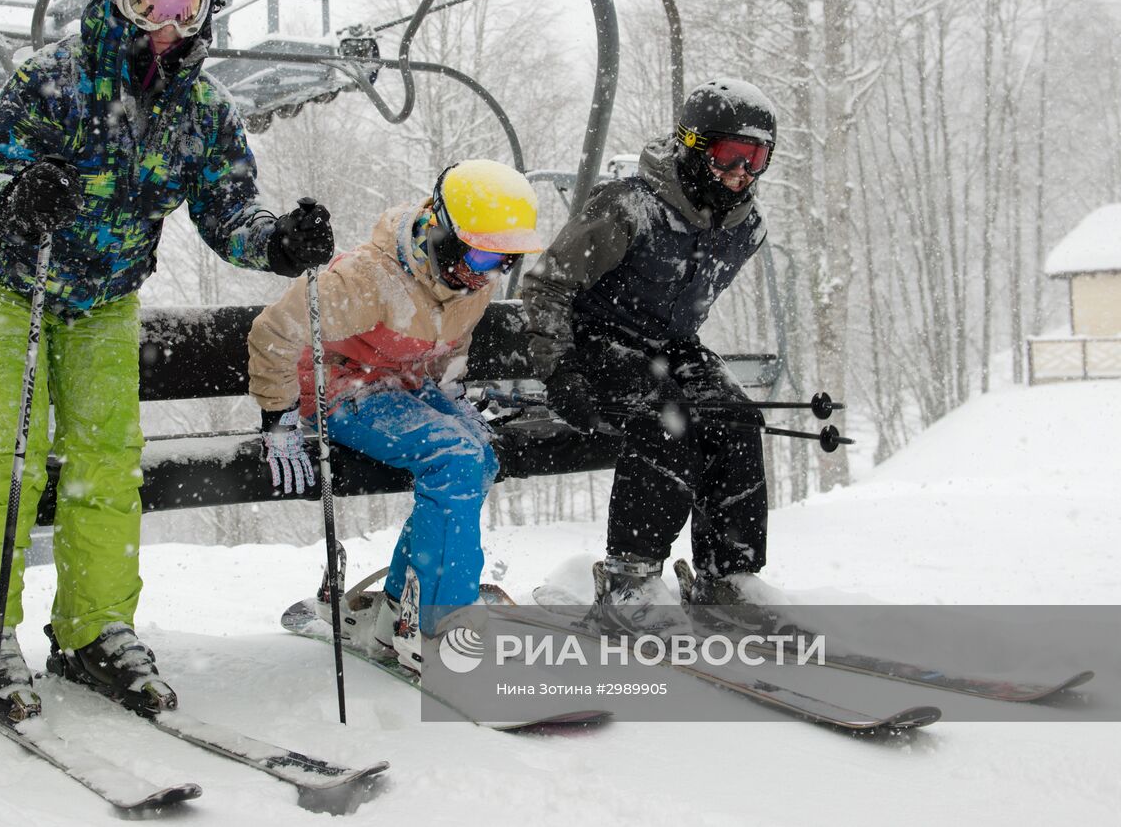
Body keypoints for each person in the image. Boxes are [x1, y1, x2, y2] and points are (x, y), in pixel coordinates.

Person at [0, 0, 334, 722]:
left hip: (103, 299)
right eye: (147, 1)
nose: (167, 24)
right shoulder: (51, 79)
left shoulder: (202, 110)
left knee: (107, 460)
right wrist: (25, 197)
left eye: (186, 7)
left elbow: (229, 212)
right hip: (8, 283)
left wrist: (280, 244)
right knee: (9, 451)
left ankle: (93, 626)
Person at [247, 160, 544, 675]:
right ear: (441, 232)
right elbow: (273, 333)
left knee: (479, 456)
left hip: (406, 386)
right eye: (478, 253)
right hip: (343, 389)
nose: (487, 271)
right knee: (455, 460)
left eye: (504, 260)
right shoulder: (367, 280)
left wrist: (450, 394)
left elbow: (453, 341)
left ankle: (399, 612)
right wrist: (278, 417)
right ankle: (437, 628)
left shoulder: (473, 279)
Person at [522, 78, 782, 636]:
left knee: (736, 417)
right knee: (671, 418)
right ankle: (628, 581)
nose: (743, 172)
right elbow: (547, 287)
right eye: (730, 155)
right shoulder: (629, 207)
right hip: (595, 339)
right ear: (692, 146)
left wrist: (679, 360)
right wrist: (559, 368)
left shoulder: (745, 227)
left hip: (668, 346)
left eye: (758, 158)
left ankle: (726, 578)